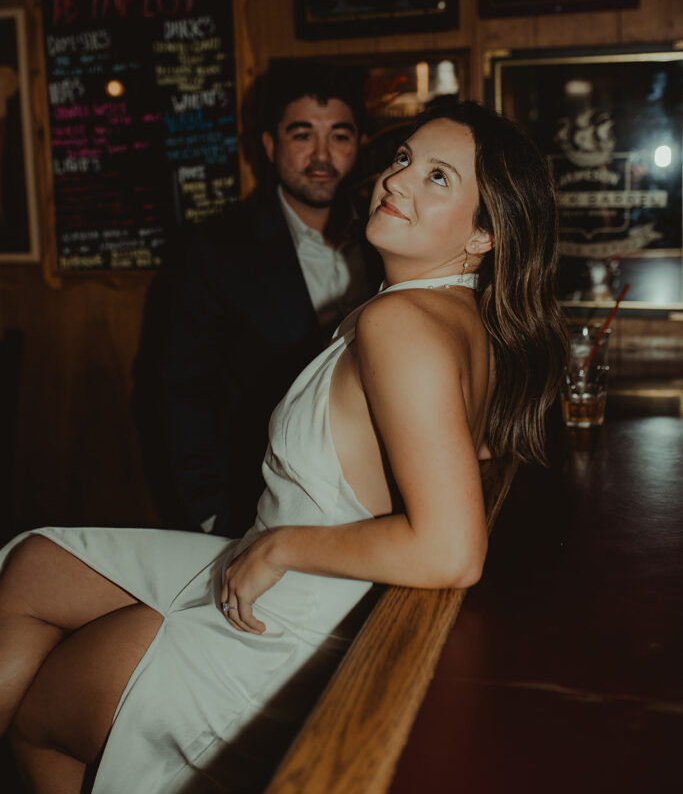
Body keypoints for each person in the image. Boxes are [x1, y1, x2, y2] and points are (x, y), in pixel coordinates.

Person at [0, 98, 568, 794]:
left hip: (288, 616)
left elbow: (452, 550)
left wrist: (279, 546)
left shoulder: (403, 324)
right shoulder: (453, 312)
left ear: (484, 235)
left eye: (437, 177)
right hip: (297, 570)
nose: (396, 181)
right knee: (31, 566)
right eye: (401, 159)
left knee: (37, 721)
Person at [137, 61, 382, 536]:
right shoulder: (216, 251)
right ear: (270, 146)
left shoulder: (388, 244)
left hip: (371, 508)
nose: (321, 154)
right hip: (256, 511)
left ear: (360, 146)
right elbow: (179, 390)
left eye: (340, 136)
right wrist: (208, 512)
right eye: (302, 134)